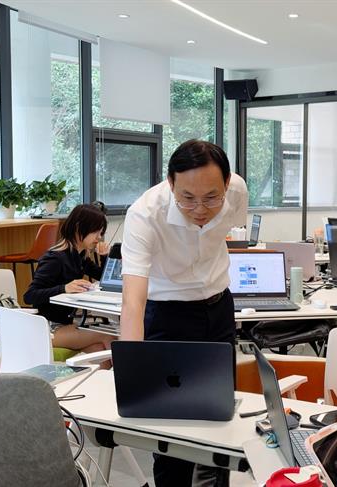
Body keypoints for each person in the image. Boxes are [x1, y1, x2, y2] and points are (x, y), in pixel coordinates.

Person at [120, 139, 248, 486]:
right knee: (171, 429)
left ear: (227, 184)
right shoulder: (145, 214)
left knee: (220, 417)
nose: (200, 209)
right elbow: (133, 301)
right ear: (170, 183)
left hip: (219, 308)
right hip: (168, 315)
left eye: (212, 197)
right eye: (188, 198)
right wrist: (131, 375)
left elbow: (230, 231)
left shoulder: (237, 191)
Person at [24, 204, 115, 359]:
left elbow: (104, 278)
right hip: (49, 329)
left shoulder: (79, 256)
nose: (99, 238)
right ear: (79, 228)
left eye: (101, 233)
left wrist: (105, 256)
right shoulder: (55, 258)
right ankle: (128, 374)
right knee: (109, 335)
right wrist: (64, 288)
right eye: (96, 232)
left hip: (64, 325)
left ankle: (108, 375)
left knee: (99, 350)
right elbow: (30, 296)